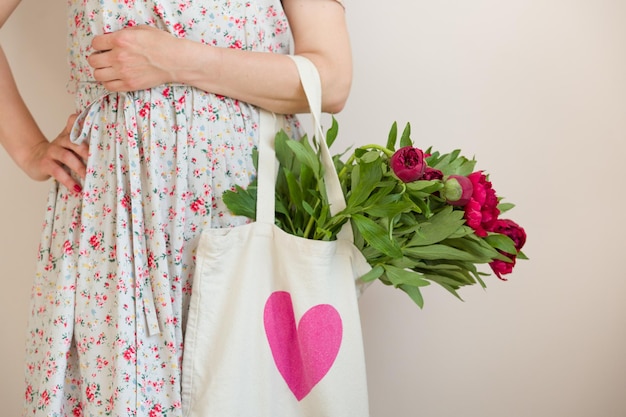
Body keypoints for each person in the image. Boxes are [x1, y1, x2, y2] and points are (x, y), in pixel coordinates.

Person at [0, 0, 352, 415]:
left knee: (251, 391)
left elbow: (331, 81)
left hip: (246, 211)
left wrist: (177, 60)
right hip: (116, 225)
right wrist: (29, 149)